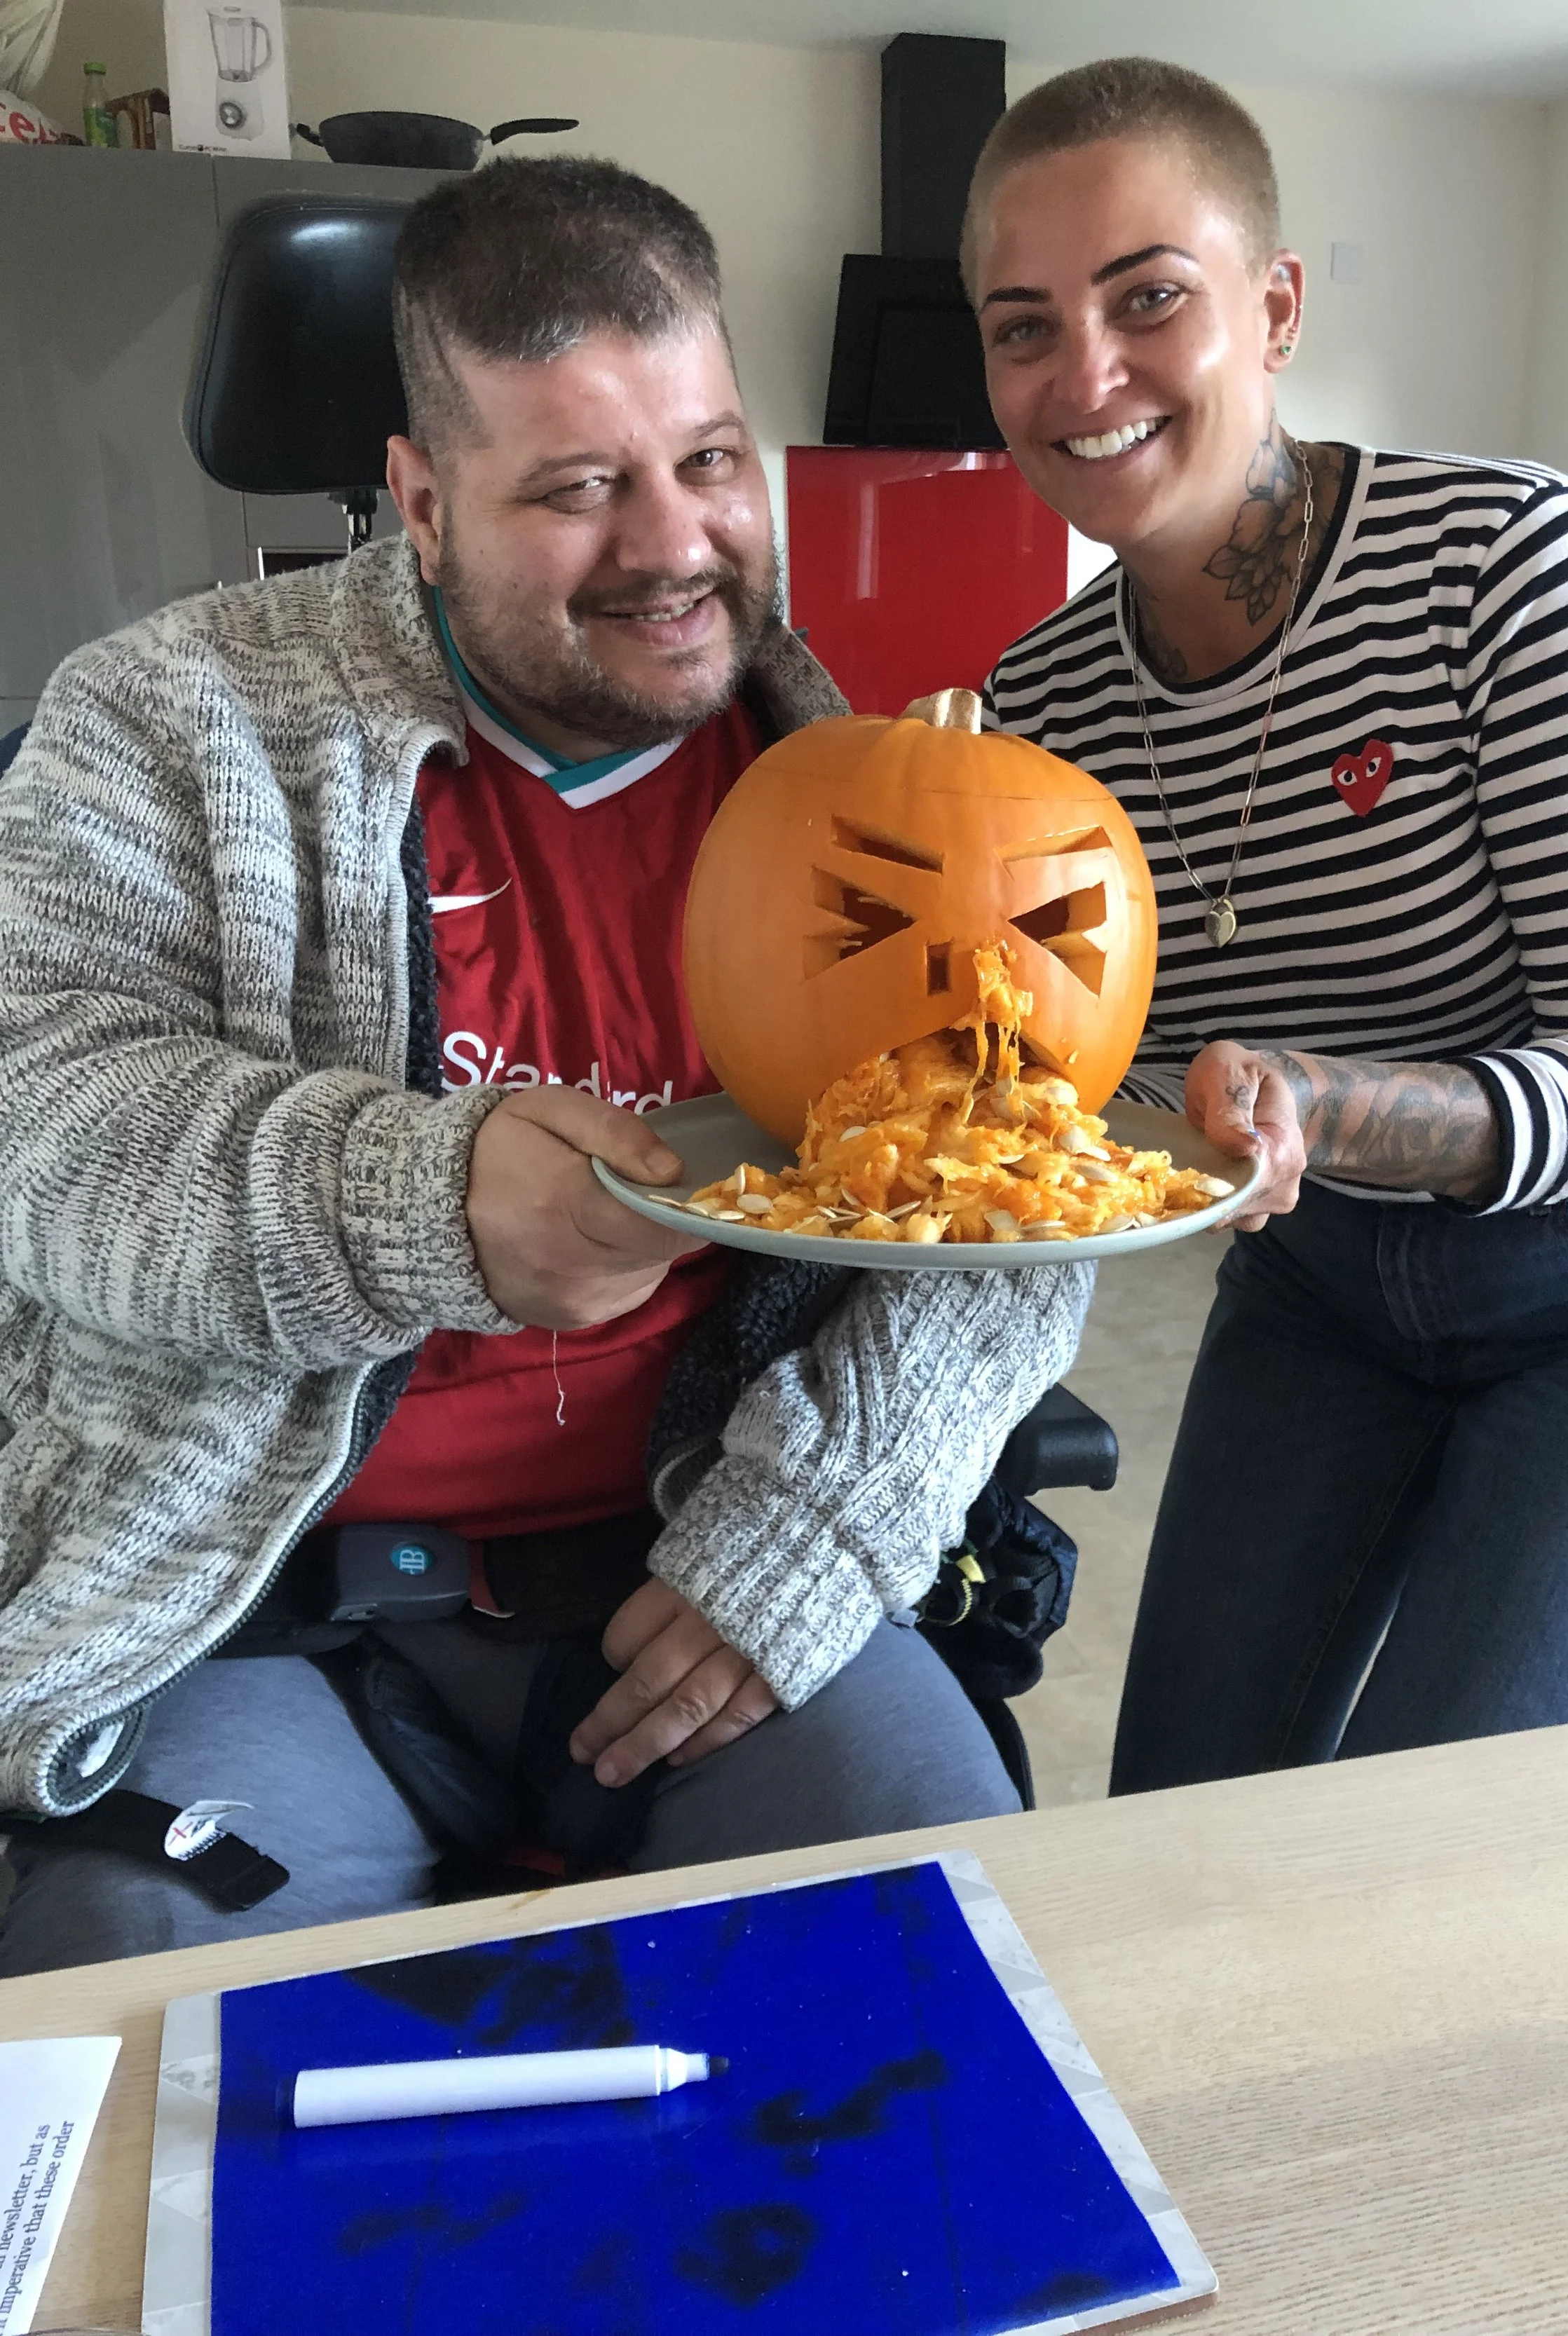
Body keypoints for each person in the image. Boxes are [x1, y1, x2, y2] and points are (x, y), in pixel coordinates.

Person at [0, 158, 1091, 1974]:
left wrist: (814, 1534)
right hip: (263, 1605)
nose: (673, 546)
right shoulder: (160, 724)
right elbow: (42, 1129)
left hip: (701, 1549)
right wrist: (427, 1201)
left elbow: (1007, 1198)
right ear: (419, 501)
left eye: (711, 460)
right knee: (169, 2059)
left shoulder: (878, 797)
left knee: (954, 1987)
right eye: (579, 487)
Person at [965, 59, 1568, 1791]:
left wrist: (1322, 1106)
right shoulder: (1033, 710)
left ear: (1275, 304)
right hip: (1322, 1293)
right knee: (1178, 1801)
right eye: (1021, 326)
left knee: (1424, 1820)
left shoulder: (1517, 573)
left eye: (1146, 297)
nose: (1081, 377)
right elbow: (1060, 1079)